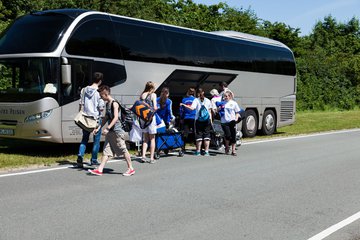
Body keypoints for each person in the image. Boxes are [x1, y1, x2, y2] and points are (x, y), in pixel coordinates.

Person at [88, 85, 135, 176]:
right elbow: (106, 117)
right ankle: (100, 169)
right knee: (106, 150)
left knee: (123, 149)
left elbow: (116, 117)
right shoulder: (107, 104)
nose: (101, 97)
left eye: (101, 95)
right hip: (111, 132)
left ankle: (131, 168)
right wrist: (98, 127)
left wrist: (107, 128)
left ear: (105, 94)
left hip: (117, 131)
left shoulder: (114, 103)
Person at [76, 72, 105, 168]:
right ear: (100, 81)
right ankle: (94, 160)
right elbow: (101, 108)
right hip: (95, 119)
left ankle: (80, 155)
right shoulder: (99, 92)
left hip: (85, 118)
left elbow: (81, 104)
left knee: (84, 139)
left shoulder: (84, 90)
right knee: (96, 141)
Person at [180, 88, 213, 156]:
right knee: (207, 135)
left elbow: (192, 108)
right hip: (207, 120)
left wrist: (184, 105)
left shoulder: (196, 100)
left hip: (198, 120)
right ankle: (206, 151)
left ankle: (198, 151)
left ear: (197, 94)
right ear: (203, 92)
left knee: (199, 135)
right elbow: (210, 111)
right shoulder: (208, 100)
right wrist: (211, 121)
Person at [139, 81, 158, 163]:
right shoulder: (153, 95)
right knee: (152, 139)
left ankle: (143, 156)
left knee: (145, 139)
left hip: (143, 118)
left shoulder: (142, 95)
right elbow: (155, 107)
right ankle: (151, 158)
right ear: (152, 88)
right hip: (150, 118)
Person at [218, 90, 240, 156]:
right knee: (228, 135)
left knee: (233, 136)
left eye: (227, 96)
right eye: (224, 96)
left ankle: (233, 151)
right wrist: (218, 109)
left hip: (232, 121)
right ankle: (227, 147)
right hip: (224, 122)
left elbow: (237, 112)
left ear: (230, 96)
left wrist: (236, 119)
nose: (225, 97)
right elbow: (218, 110)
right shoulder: (222, 103)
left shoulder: (234, 103)